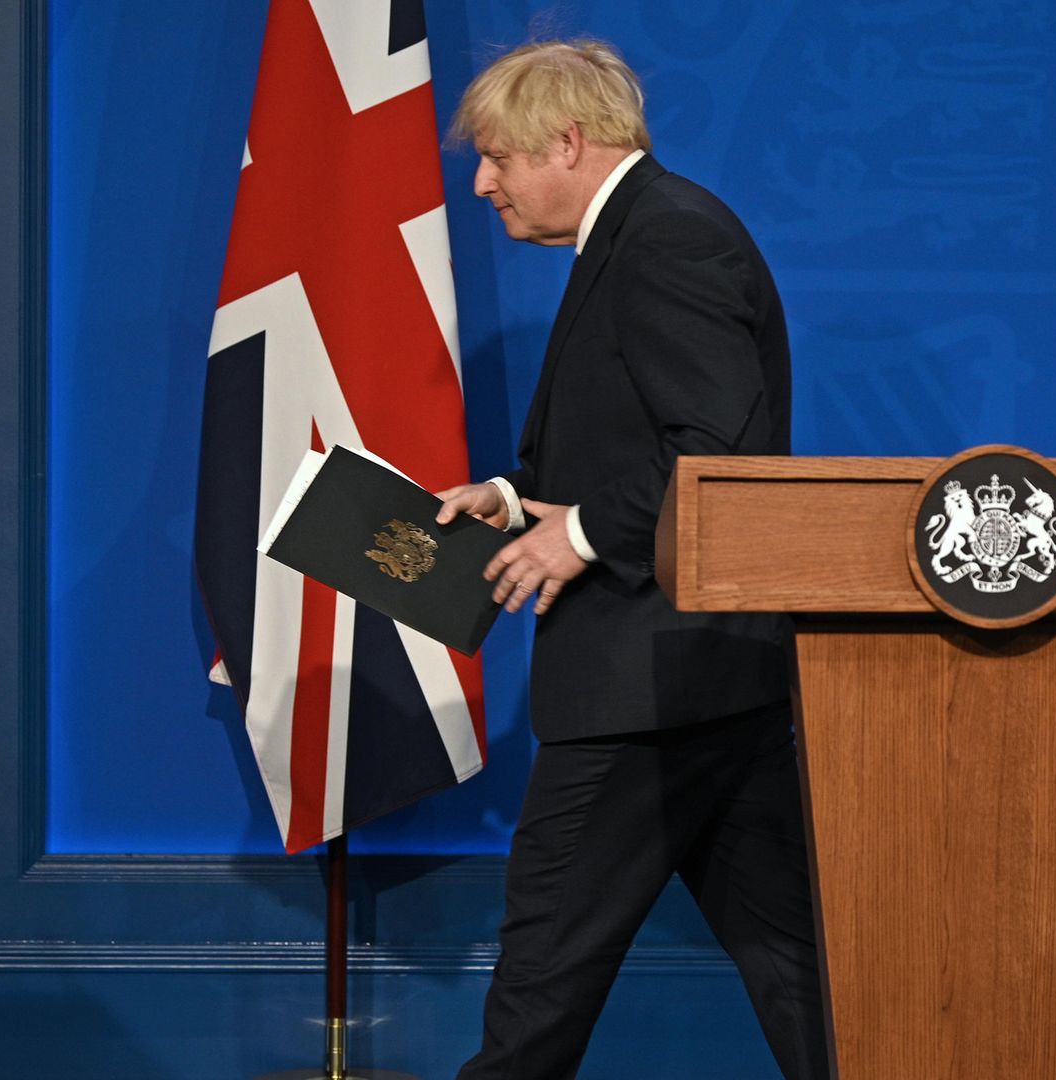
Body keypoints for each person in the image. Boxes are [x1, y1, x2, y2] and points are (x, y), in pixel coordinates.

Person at [434, 39, 829, 1080]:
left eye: (498, 160)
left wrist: (578, 536)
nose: (482, 184)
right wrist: (521, 504)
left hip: (647, 686)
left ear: (567, 142)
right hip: (703, 677)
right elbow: (649, 444)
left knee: (542, 978)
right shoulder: (643, 234)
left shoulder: (666, 240)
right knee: (802, 969)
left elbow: (715, 453)